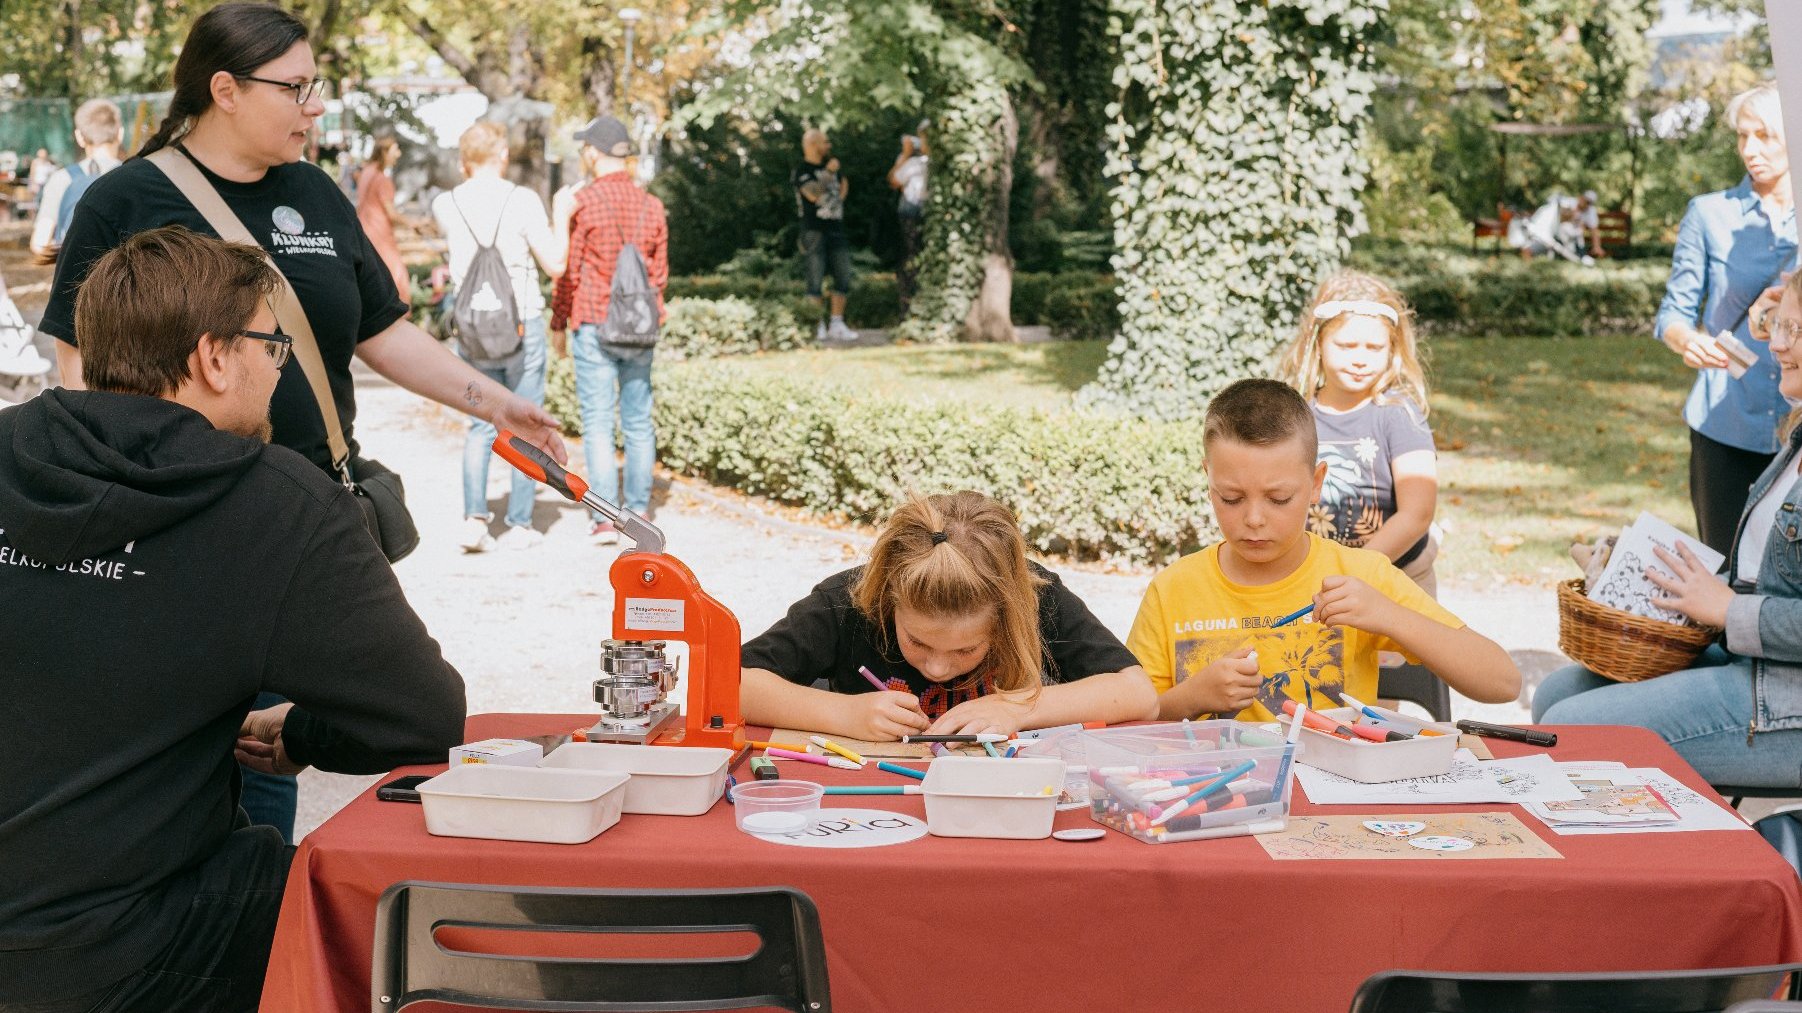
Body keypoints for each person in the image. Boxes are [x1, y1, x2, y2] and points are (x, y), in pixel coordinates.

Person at [40, 1, 563, 841]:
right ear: (226, 89)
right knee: (174, 766)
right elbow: (81, 368)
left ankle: (258, 916)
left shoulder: (316, 192)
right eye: (297, 87)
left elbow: (379, 330)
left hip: (300, 519)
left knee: (273, 756)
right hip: (180, 529)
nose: (315, 106)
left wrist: (493, 400)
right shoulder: (123, 199)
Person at [0, 226, 466, 1012]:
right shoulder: (273, 501)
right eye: (272, 347)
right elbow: (423, 715)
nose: (276, 370)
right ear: (216, 358)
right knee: (357, 913)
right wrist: (300, 735)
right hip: (121, 950)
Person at [1533, 271, 1802, 788]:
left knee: (1569, 730)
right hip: (1755, 668)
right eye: (1776, 325)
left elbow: (1744, 607)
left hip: (1785, 706)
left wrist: (1727, 609)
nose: (1777, 345)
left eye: (1795, 329)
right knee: (1555, 696)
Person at [1126, 379, 1519, 722]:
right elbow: (1130, 721)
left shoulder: (1361, 576)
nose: (1254, 518)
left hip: (1334, 798)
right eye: (1231, 498)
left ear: (1316, 484)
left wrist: (1389, 616)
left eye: (1279, 498)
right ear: (1208, 480)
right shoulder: (1173, 589)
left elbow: (1502, 682)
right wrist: (1191, 698)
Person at [741, 491, 1156, 739]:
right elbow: (731, 683)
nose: (938, 666)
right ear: (890, 594)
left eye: (966, 649)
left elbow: (1139, 694)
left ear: (1006, 614)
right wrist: (843, 713)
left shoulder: (1035, 597)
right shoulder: (849, 602)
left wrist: (1020, 708)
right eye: (917, 641)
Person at [1659, 82, 1798, 554]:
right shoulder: (1708, 214)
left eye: (1766, 136)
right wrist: (1686, 340)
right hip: (1726, 422)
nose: (1750, 150)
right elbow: (1673, 314)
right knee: (1723, 567)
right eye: (1743, 136)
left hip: (1800, 427)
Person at [432, 121, 565, 553]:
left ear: (463, 161)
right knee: (527, 425)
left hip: (472, 330)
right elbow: (554, 264)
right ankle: (521, 524)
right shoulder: (523, 200)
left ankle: (475, 520)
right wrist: (562, 218)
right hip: (522, 323)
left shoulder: (445, 203)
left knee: (478, 427)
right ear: (503, 154)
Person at [1277, 271, 1440, 595]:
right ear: (1319, 343)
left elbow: (1417, 513)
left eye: (1374, 347)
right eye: (1347, 345)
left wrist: (1355, 571)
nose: (1360, 359)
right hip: (1314, 584)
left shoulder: (1399, 414)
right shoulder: (1295, 415)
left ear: (1391, 350)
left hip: (1399, 579)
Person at [551, 115, 668, 545]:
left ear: (593, 153)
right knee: (639, 420)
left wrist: (558, 321)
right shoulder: (652, 206)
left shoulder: (584, 203)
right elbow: (659, 274)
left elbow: (569, 272)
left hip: (594, 320)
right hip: (639, 328)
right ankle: (638, 510)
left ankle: (604, 519)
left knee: (598, 422)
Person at [29, 98, 123, 263]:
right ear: (120, 134)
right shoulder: (136, 176)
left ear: (79, 136)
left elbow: (40, 243)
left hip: (76, 284)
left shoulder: (61, 179)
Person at [794, 128, 856, 343]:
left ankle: (837, 324)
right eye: (824, 142)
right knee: (815, 279)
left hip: (836, 228)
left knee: (843, 276)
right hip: (813, 231)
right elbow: (812, 194)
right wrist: (828, 174)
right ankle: (816, 324)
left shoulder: (833, 167)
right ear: (813, 144)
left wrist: (837, 194)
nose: (828, 146)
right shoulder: (803, 170)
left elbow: (843, 188)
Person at [356, 134, 411, 302]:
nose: (399, 154)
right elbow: (392, 215)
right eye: (396, 150)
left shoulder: (366, 172)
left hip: (364, 233)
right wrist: (415, 222)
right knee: (399, 281)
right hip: (380, 236)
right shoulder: (382, 179)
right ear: (385, 152)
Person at [886, 121, 929, 316]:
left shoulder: (923, 163)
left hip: (919, 214)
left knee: (916, 262)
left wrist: (906, 155)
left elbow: (895, 180)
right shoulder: (914, 163)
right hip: (912, 214)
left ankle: (917, 307)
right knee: (910, 261)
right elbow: (894, 181)